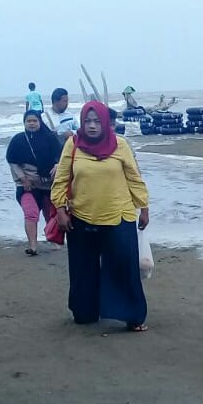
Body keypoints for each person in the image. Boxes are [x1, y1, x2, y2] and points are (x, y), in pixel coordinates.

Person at [50, 101, 151, 332]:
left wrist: (143, 207)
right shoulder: (72, 145)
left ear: (106, 123)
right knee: (82, 268)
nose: (92, 126)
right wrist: (60, 210)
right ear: (82, 123)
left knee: (123, 265)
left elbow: (134, 178)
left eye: (97, 121)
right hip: (81, 217)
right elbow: (61, 180)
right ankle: (85, 310)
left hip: (119, 215)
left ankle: (133, 316)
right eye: (88, 121)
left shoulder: (120, 145)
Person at [6, 110, 61, 256]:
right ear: (24, 123)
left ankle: (54, 240)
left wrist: (57, 165)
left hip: (49, 184)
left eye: (34, 120)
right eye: (28, 121)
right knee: (31, 213)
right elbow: (12, 162)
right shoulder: (18, 140)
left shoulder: (50, 138)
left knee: (50, 215)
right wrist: (23, 179)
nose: (31, 123)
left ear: (40, 122)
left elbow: (61, 156)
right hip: (27, 185)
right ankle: (33, 246)